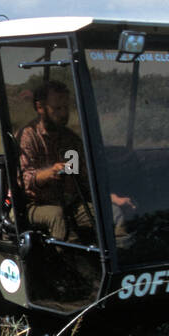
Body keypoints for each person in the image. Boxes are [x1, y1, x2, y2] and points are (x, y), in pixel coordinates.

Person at [17, 80, 139, 244]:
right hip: (34, 205)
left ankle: (118, 261)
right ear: (40, 108)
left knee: (115, 213)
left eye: (66, 108)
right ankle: (75, 265)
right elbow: (23, 180)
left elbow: (83, 180)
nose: (63, 114)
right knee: (58, 217)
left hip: (71, 204)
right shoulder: (27, 136)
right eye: (57, 108)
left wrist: (112, 198)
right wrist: (49, 173)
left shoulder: (70, 140)